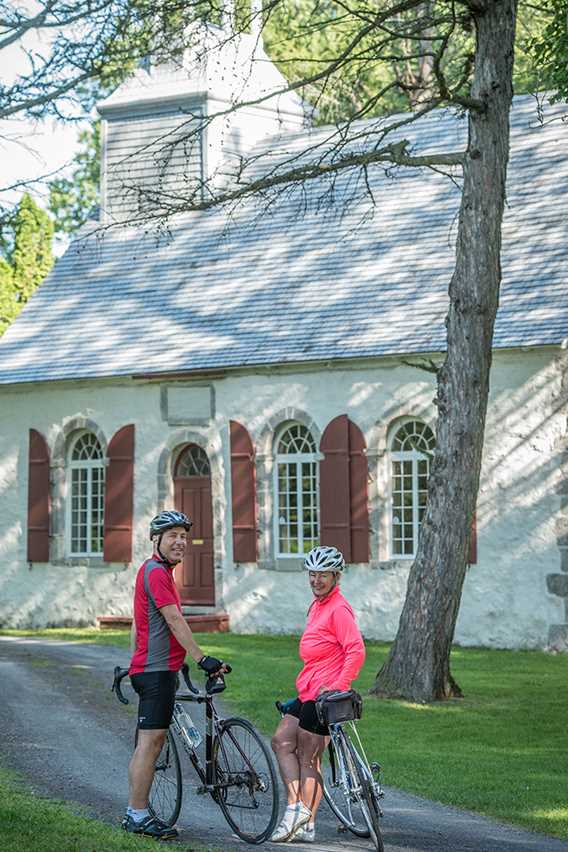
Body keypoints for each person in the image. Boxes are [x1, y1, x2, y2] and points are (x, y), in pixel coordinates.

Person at [122, 510, 228, 840]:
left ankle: (137, 812)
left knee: (151, 742)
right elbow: (174, 620)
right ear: (157, 541)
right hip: (153, 672)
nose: (180, 542)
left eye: (183, 536)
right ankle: (136, 815)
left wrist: (139, 661)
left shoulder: (156, 572)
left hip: (154, 668)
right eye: (173, 536)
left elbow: (140, 624)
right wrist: (202, 658)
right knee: (151, 743)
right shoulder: (155, 572)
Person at [270, 545, 366, 843]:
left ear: (336, 576)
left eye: (323, 574)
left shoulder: (338, 608)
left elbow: (356, 650)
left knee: (309, 757)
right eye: (312, 574)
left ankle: (298, 816)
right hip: (308, 690)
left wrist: (339, 685)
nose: (316, 580)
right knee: (281, 741)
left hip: (325, 696)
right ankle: (303, 816)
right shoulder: (317, 606)